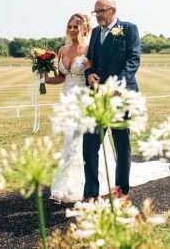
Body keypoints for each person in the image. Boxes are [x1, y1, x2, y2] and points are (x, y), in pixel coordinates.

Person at [45, 13, 117, 203]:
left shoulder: (89, 49)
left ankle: (66, 189)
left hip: (84, 99)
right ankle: (66, 184)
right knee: (69, 142)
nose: (72, 30)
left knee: (78, 142)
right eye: (70, 26)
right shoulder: (62, 49)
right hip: (66, 100)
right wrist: (43, 77)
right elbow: (61, 77)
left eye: (76, 26)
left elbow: (95, 75)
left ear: (85, 28)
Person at [84, 0, 141, 199]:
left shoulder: (129, 29)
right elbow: (90, 60)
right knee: (89, 144)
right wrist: (88, 74)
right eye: (95, 12)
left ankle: (121, 190)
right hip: (97, 97)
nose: (98, 15)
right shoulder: (95, 32)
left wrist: (119, 86)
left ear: (113, 10)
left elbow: (134, 59)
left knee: (121, 145)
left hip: (120, 97)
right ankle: (91, 193)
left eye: (101, 11)